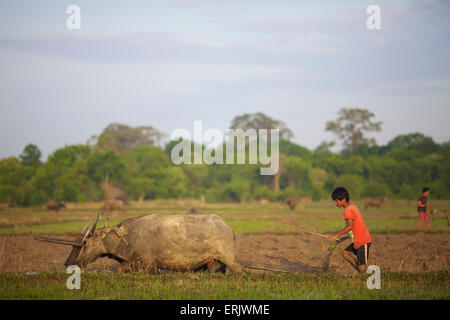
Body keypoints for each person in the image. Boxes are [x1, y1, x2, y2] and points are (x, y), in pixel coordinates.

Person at [329, 187, 372, 273]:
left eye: (336, 201)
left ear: (343, 200)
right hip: (357, 240)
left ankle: (364, 276)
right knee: (345, 253)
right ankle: (361, 272)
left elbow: (349, 227)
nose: (336, 203)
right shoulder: (352, 206)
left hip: (362, 241)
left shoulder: (348, 210)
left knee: (361, 265)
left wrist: (336, 235)